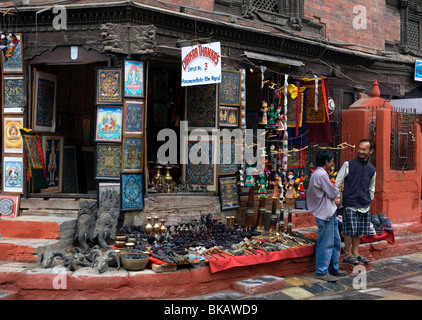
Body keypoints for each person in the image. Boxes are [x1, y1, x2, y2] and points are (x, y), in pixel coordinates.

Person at [335, 139, 376, 265]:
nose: (360, 151)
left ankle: (356, 253)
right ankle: (347, 254)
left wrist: (369, 199)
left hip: (364, 205)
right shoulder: (348, 164)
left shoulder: (372, 169)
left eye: (364, 149)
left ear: (370, 151)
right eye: (359, 148)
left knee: (359, 231)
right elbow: (338, 182)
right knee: (349, 230)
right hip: (350, 204)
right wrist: (337, 197)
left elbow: (371, 187)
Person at [307, 149, 345, 282]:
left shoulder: (319, 174)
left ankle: (332, 268)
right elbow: (333, 192)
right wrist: (338, 196)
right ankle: (322, 271)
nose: (333, 164)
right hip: (325, 213)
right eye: (332, 161)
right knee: (326, 242)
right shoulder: (321, 175)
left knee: (335, 241)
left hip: (329, 212)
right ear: (326, 162)